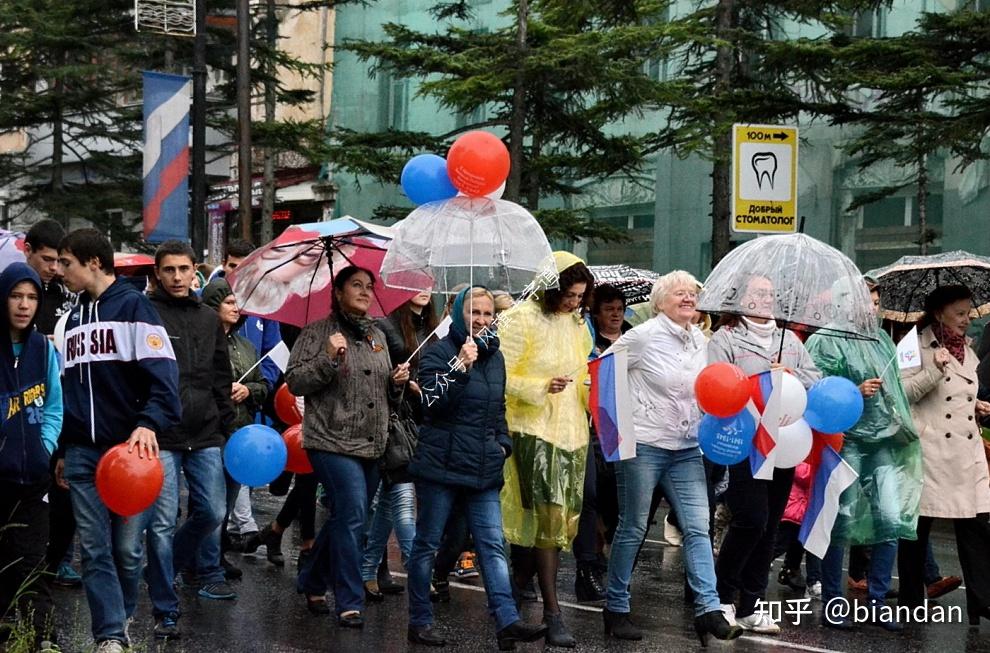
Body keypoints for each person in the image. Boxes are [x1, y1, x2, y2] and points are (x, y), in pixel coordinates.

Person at [56, 229, 180, 653]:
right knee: (93, 548)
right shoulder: (70, 319)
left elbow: (164, 376)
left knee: (128, 551)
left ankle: (122, 616)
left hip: (129, 455)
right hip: (82, 454)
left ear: (93, 262)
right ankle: (109, 634)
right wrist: (61, 449)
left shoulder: (134, 307)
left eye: (66, 263)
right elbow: (66, 390)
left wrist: (148, 423)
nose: (59, 272)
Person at [405, 286, 548, 649]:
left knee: (492, 544)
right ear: (458, 314)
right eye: (474, 312)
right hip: (441, 466)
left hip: (483, 466)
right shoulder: (439, 353)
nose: (481, 320)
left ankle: (507, 621)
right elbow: (432, 406)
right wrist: (460, 367)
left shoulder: (495, 357)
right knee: (427, 545)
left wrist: (503, 444)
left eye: (487, 314)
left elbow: (496, 409)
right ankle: (419, 620)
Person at [603, 271, 741, 646]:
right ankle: (615, 607)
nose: (688, 298)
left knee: (699, 527)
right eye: (679, 293)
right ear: (660, 302)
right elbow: (603, 373)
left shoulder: (701, 340)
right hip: (644, 445)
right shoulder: (642, 337)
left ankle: (708, 610)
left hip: (685, 447)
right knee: (633, 526)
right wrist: (618, 428)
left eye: (692, 294)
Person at [286, 265, 410, 627]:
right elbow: (295, 382)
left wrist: (398, 382)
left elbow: (384, 391)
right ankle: (349, 599)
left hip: (372, 444)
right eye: (356, 285)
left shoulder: (378, 335)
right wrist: (327, 357)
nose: (365, 292)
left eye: (369, 287)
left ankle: (311, 580)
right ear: (337, 292)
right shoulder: (317, 332)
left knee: (347, 517)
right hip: (330, 440)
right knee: (354, 513)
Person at [804, 279, 923, 631]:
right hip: (847, 441)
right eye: (865, 301)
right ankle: (833, 602)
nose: (872, 308)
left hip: (884, 439)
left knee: (891, 518)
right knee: (842, 520)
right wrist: (854, 391)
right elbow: (817, 389)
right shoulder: (824, 339)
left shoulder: (882, 338)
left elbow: (898, 390)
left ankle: (877, 602)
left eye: (875, 301)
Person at [708, 273, 820, 634]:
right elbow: (715, 382)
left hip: (785, 441)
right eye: (758, 292)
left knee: (771, 524)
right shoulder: (725, 338)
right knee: (751, 519)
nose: (766, 299)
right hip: (744, 441)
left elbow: (813, 379)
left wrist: (790, 376)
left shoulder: (790, 340)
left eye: (771, 293)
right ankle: (722, 598)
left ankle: (751, 605)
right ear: (741, 298)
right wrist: (761, 377)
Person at [500, 251, 594, 647]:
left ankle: (506, 603)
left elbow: (584, 369)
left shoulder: (576, 324)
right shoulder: (519, 319)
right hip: (532, 429)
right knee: (550, 517)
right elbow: (501, 375)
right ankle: (553, 612)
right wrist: (540, 386)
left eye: (579, 297)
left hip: (572, 431)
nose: (575, 303)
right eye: (570, 295)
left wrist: (595, 392)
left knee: (549, 524)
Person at [144, 241, 237, 638]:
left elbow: (221, 374)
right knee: (162, 523)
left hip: (205, 432)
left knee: (213, 512)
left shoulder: (207, 317)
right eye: (170, 270)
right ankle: (165, 607)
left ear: (194, 272)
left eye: (184, 269)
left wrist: (226, 425)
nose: (178, 277)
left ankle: (163, 569)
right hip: (162, 434)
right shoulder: (146, 314)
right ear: (158, 274)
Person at [897, 284, 990, 625]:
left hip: (967, 452)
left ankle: (982, 600)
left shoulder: (967, 348)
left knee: (978, 525)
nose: (967, 320)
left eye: (969, 313)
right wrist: (933, 370)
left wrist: (976, 405)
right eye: (960, 313)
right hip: (930, 450)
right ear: (939, 313)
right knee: (917, 531)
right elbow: (902, 393)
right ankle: (909, 602)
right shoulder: (912, 345)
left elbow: (962, 390)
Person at [0, 263, 62, 648]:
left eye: (32, 297)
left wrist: (45, 447)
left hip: (32, 479)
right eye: (16, 295)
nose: (24, 305)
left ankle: (44, 640)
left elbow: (54, 406)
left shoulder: (43, 349)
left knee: (33, 565)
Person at [362, 290, 438, 599]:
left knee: (389, 503)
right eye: (417, 281)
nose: (424, 288)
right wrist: (397, 381)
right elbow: (372, 370)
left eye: (429, 281)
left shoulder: (434, 328)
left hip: (419, 422)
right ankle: (419, 569)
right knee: (404, 500)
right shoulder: (382, 326)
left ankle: (367, 569)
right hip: (390, 422)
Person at [23, 219, 82, 589]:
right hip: (24, 402)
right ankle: (24, 563)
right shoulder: (16, 290)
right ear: (27, 250)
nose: (53, 269)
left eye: (60, 261)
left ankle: (56, 558)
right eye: (46, 259)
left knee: (66, 486)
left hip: (62, 401)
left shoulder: (67, 295)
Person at [201, 278, 270, 579]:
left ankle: (215, 554)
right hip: (210, 430)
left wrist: (249, 391)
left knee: (228, 497)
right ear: (213, 305)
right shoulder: (202, 341)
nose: (236, 307)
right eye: (229, 302)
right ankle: (203, 558)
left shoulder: (245, 345)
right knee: (210, 502)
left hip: (242, 431)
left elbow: (264, 385)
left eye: (236, 302)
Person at [572, 283, 630, 605]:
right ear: (596, 313)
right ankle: (588, 566)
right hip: (591, 427)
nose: (616, 315)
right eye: (609, 309)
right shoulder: (587, 341)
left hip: (622, 429)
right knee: (590, 495)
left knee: (616, 501)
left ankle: (605, 547)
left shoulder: (633, 339)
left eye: (620, 309)